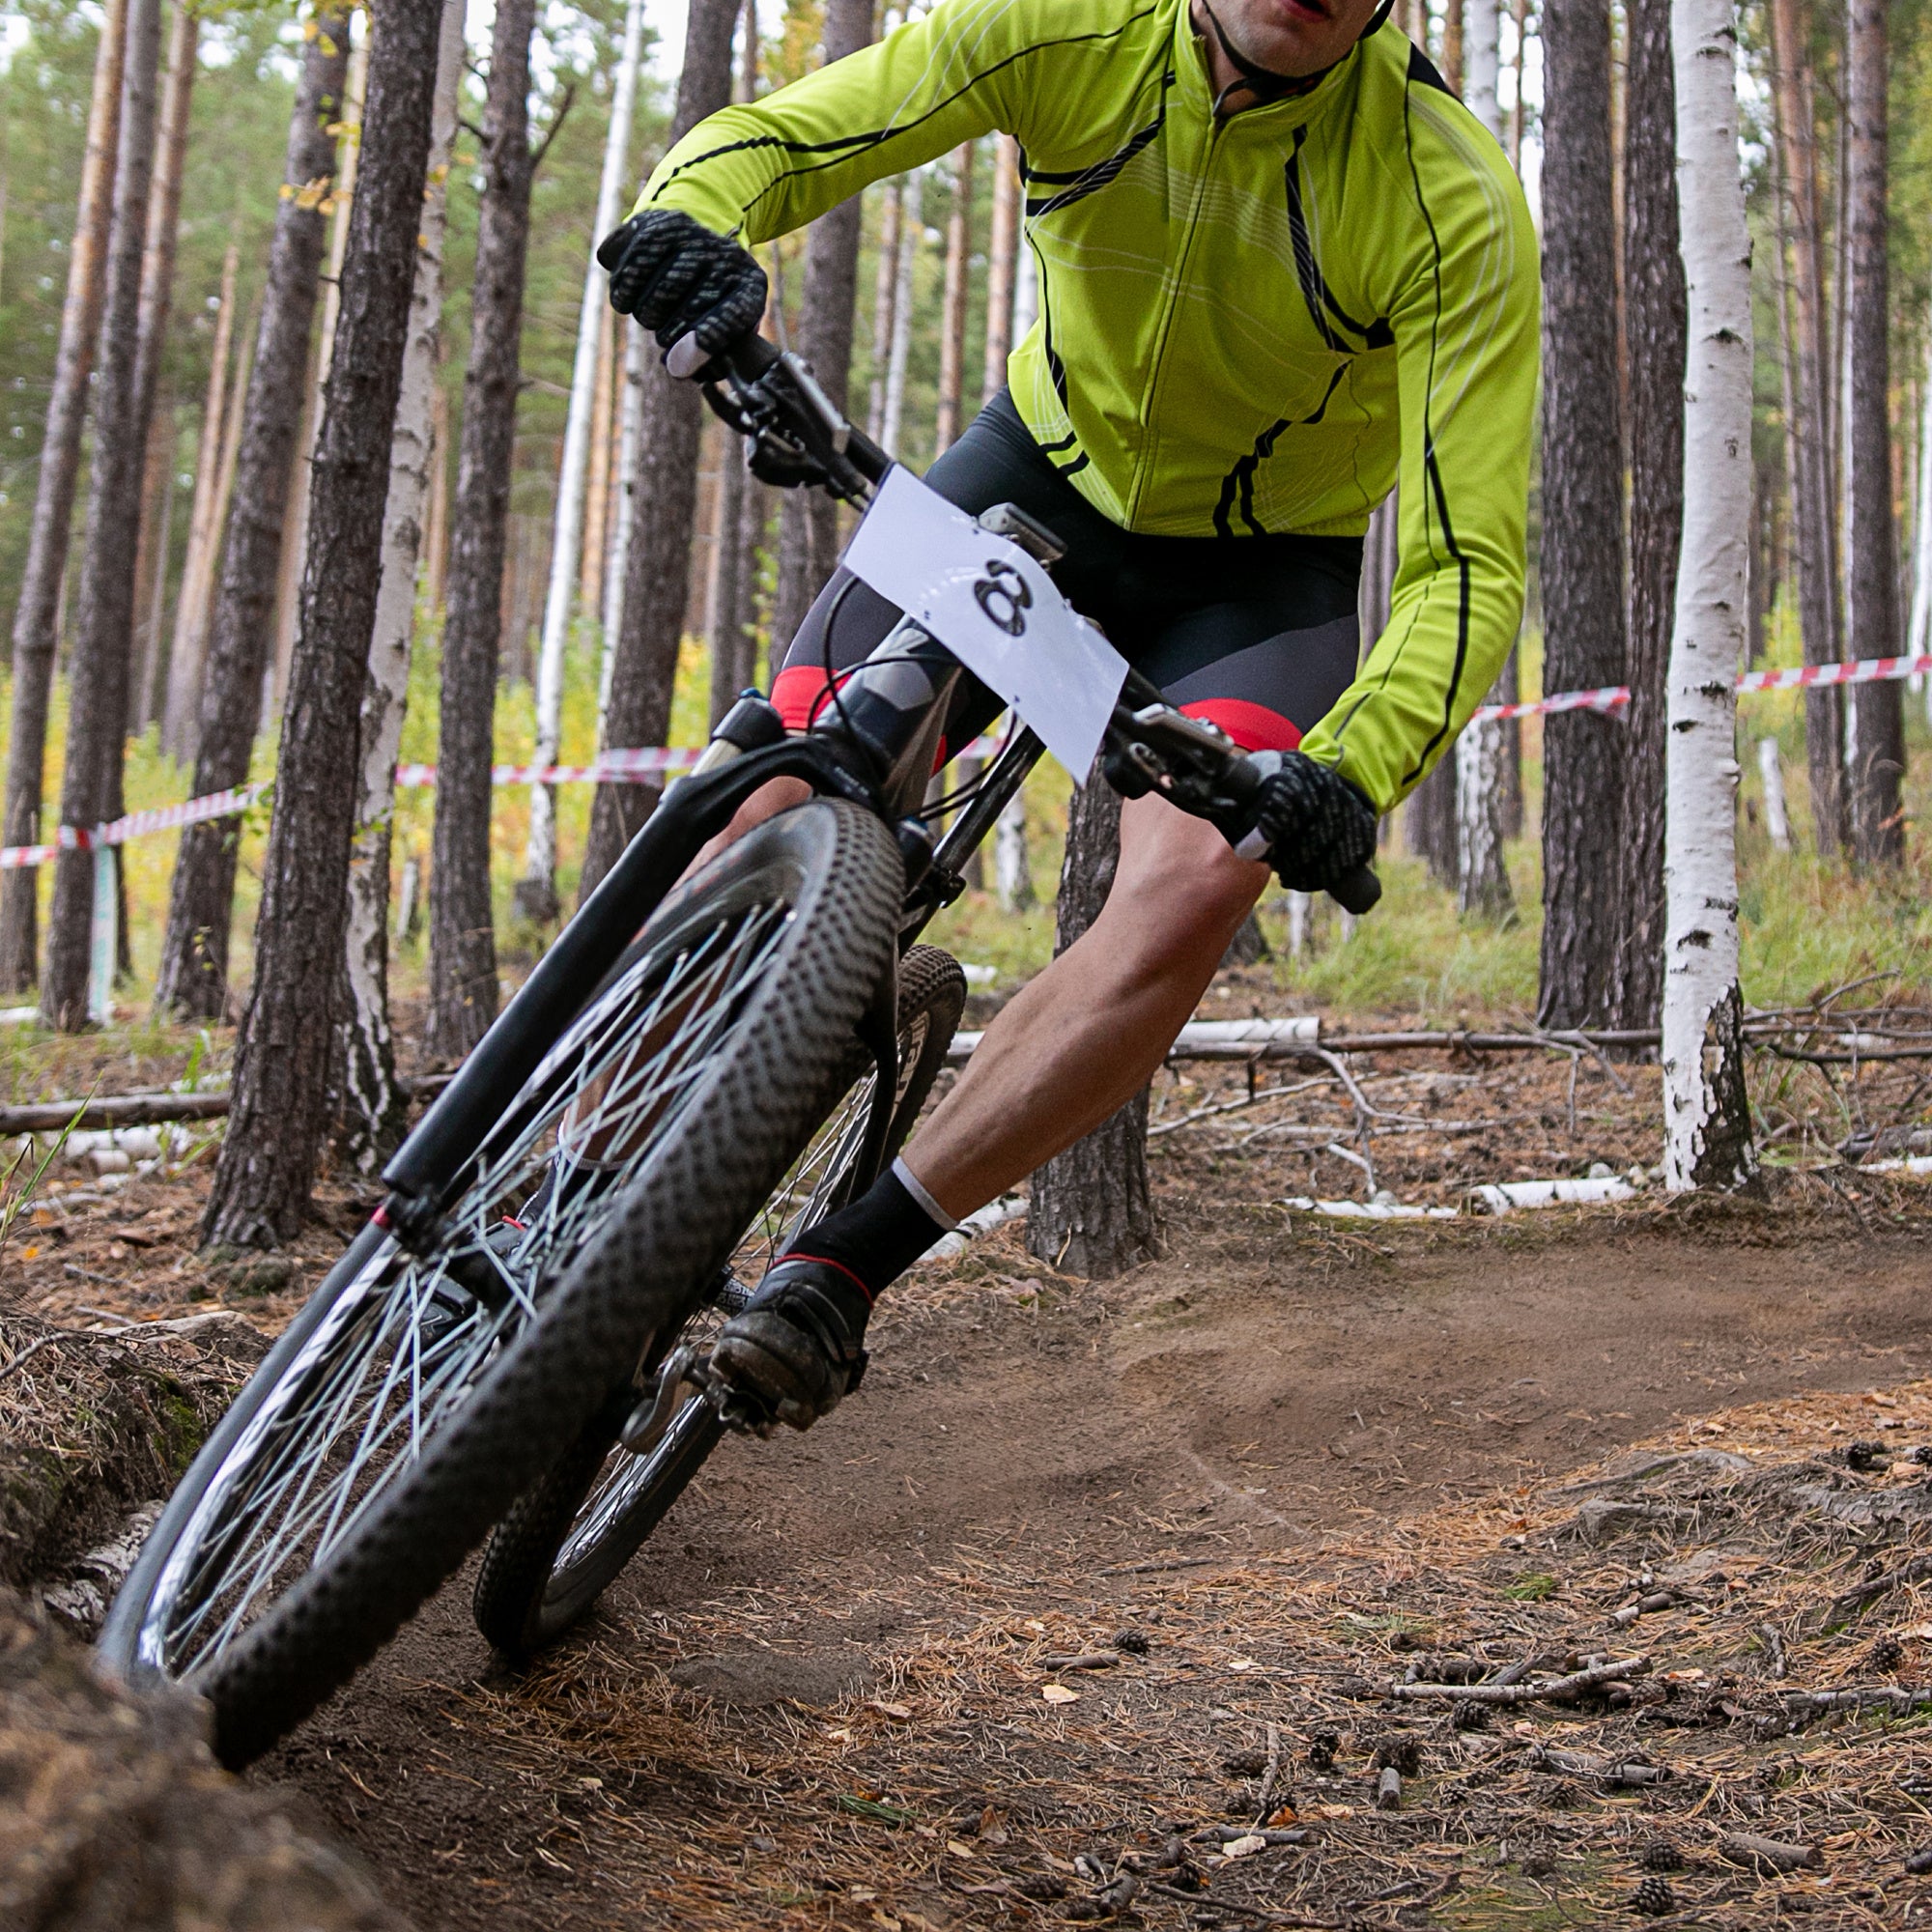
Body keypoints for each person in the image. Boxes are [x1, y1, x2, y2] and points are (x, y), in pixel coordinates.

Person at [597, 0, 1538, 1430]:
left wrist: (1354, 763)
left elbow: (1468, 562)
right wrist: (691, 217)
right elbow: (791, 134)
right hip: (1033, 480)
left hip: (1254, 580)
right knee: (776, 783)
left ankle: (839, 1276)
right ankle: (575, 1176)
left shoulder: (1444, 193)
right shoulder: (1066, 27)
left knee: (1195, 887)